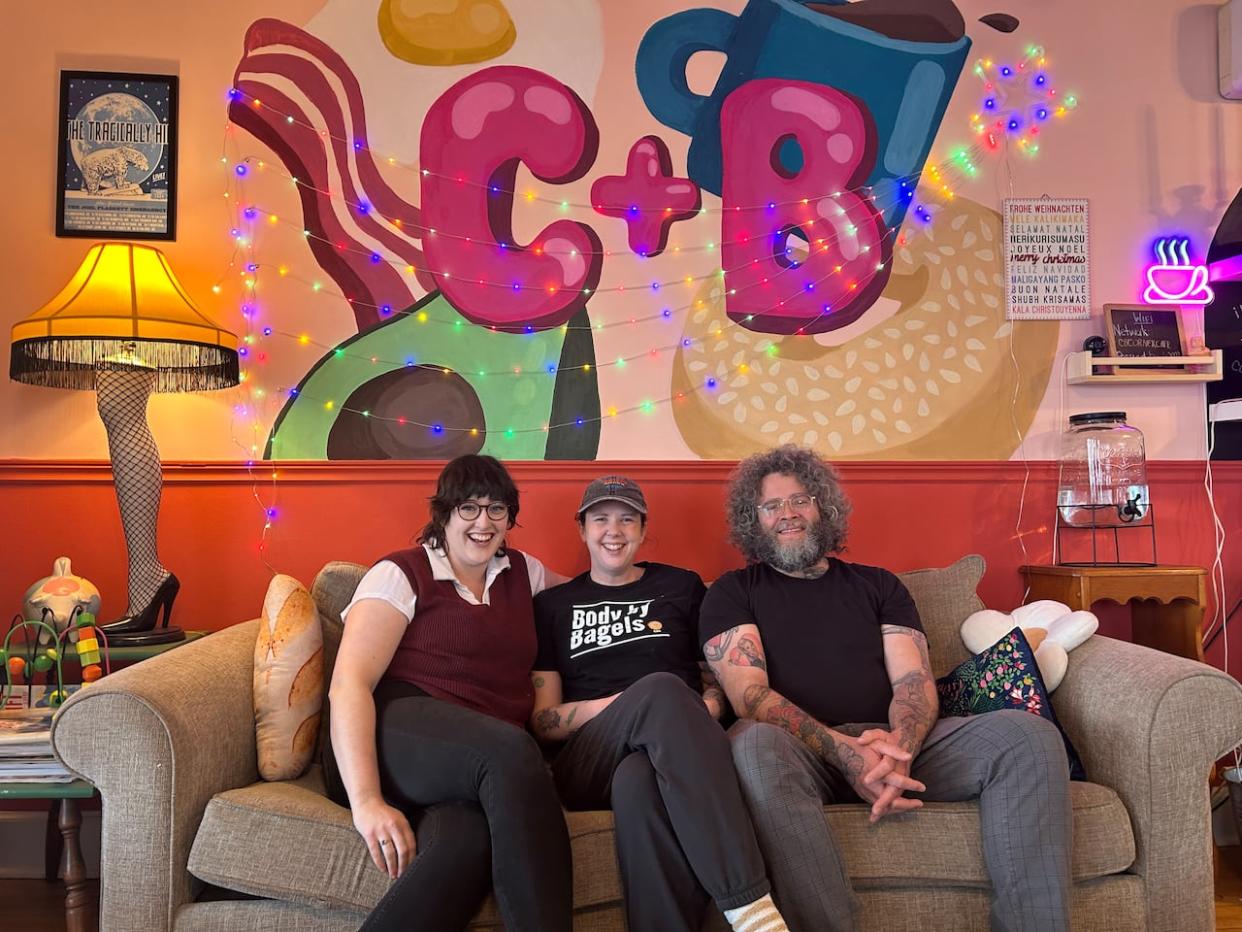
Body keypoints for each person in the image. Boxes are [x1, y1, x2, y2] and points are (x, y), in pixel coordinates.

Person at [699, 445, 1072, 932]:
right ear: (753, 520)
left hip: (896, 745)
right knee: (752, 743)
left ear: (824, 507)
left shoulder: (878, 586)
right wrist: (843, 752)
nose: (787, 514)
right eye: (771, 506)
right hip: (801, 753)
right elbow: (750, 695)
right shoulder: (732, 592)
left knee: (1028, 736)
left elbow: (913, 680)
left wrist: (900, 748)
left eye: (800, 500)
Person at [325, 454, 572, 932]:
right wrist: (367, 802)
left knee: (467, 844)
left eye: (497, 509)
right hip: (392, 733)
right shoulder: (402, 573)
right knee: (509, 750)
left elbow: (592, 596)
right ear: (443, 514)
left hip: (467, 764)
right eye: (469, 508)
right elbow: (349, 684)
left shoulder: (524, 573)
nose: (484, 522)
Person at [530, 476, 789, 932]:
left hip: (669, 743)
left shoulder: (682, 587)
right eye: (601, 519)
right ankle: (751, 908)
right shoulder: (553, 605)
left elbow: (714, 677)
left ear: (643, 529)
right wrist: (629, 703)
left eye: (627, 519)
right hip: (588, 757)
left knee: (638, 781)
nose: (614, 530)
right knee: (662, 689)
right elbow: (545, 721)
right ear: (582, 529)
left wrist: (707, 706)